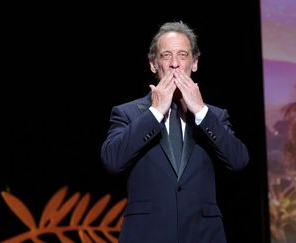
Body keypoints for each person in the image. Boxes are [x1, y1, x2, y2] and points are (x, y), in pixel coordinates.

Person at [100, 21, 249, 243]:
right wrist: (155, 112)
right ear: (153, 64)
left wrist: (200, 111)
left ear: (195, 63)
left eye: (182, 55)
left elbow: (239, 161)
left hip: (203, 235)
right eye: (166, 55)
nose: (175, 64)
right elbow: (112, 161)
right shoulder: (128, 113)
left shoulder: (214, 116)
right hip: (147, 235)